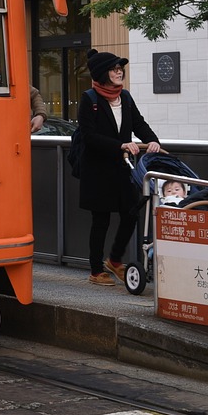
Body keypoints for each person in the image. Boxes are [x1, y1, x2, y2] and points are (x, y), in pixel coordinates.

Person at [77, 49, 161, 286]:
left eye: (120, 69)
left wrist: (153, 140)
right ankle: (95, 270)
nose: (119, 72)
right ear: (103, 73)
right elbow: (89, 136)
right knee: (100, 219)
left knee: (131, 212)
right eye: (114, 69)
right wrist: (120, 145)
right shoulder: (89, 99)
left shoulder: (125, 97)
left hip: (122, 168)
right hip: (97, 170)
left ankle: (114, 260)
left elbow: (138, 123)